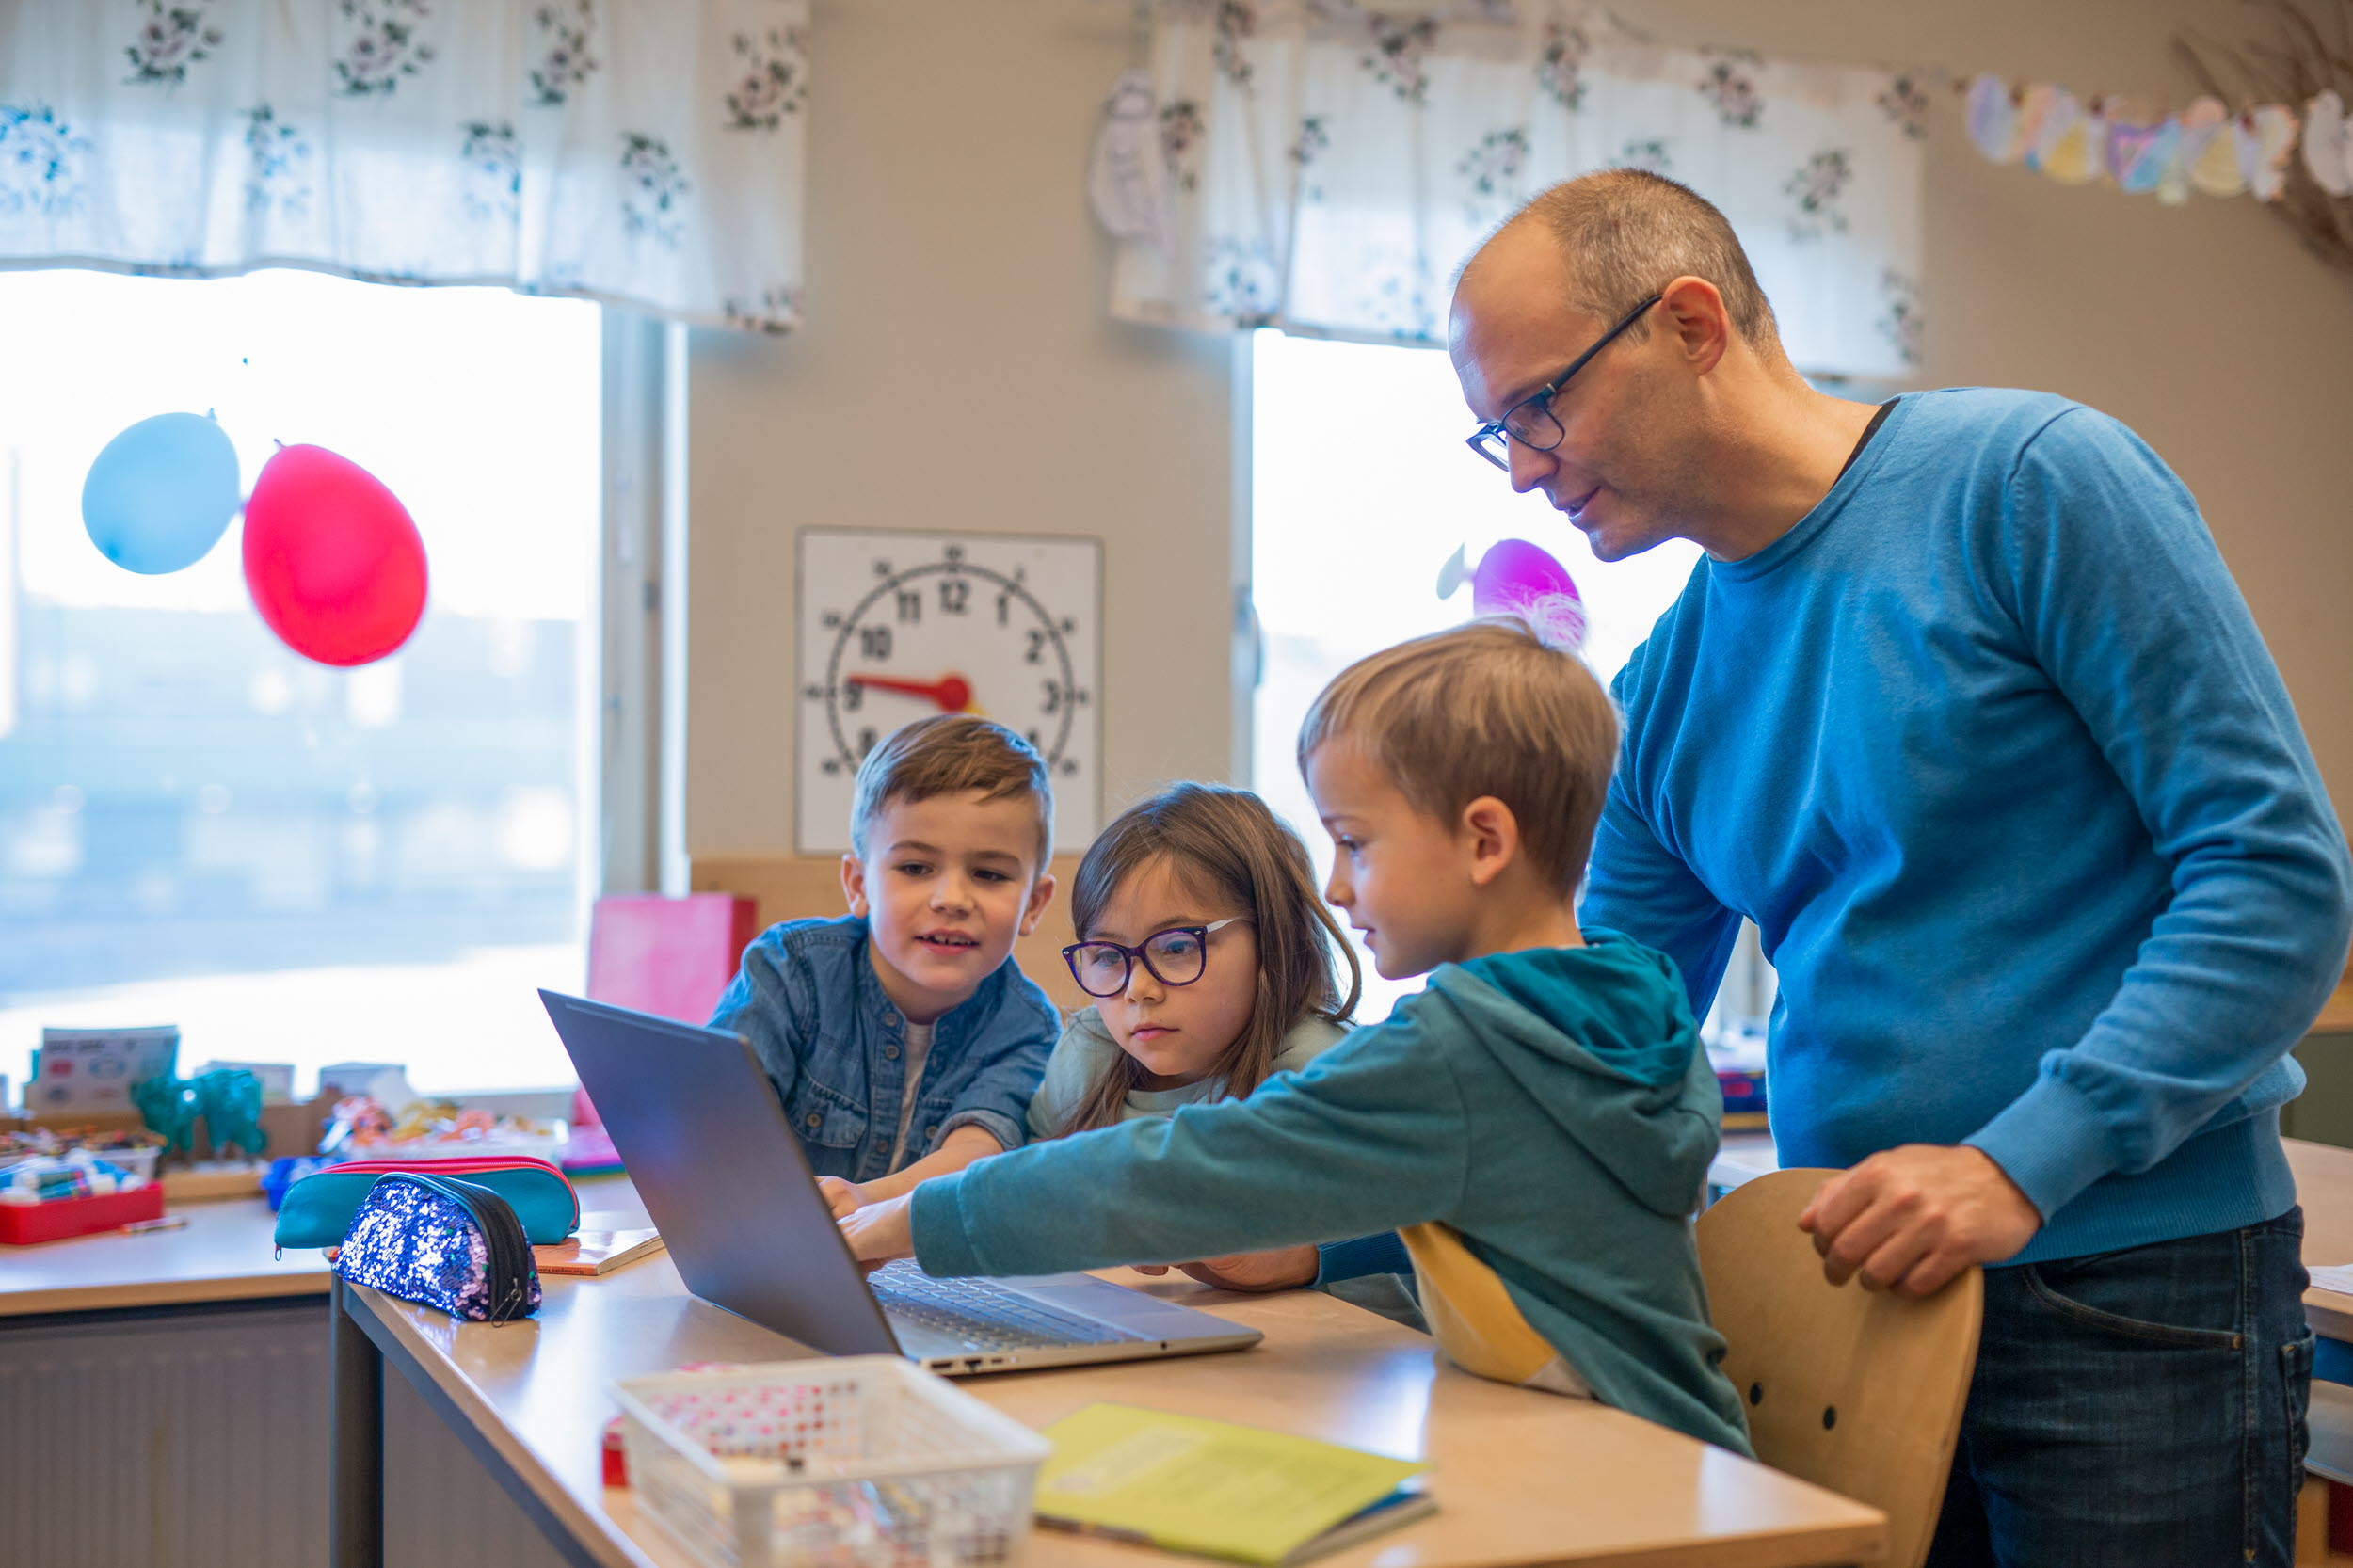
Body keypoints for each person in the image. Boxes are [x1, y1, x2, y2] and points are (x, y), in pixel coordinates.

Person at [1446, 168, 2353, 1565]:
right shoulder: (1667, 688)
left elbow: (2277, 878)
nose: (1523, 466)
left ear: (1691, 323)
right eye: (1492, 432)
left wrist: (2020, 1162)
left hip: (2135, 1285)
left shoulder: (2029, 483)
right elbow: (1590, 1046)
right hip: (1861, 1295)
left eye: (1539, 406)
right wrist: (1322, 1227)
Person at [839, 619, 1753, 1454]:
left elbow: (1172, 1171)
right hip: (1681, 1456)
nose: (1339, 886)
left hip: (1626, 1476)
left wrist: (904, 1224)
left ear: (1484, 842)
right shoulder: (1618, 999)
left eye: (1354, 842)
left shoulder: (1465, 1052)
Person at [707, 713, 1062, 1196]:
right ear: (859, 885)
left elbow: (975, 1154)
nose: (952, 899)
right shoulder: (789, 971)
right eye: (915, 867)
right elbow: (720, 1119)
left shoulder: (1027, 1028)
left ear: (1034, 905)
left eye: (990, 874)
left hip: (929, 1269)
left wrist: (863, 1204)